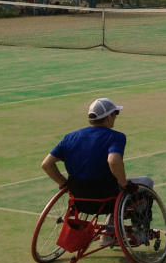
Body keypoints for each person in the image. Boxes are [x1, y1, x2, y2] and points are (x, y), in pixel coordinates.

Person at [41, 98, 153, 246]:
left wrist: (64, 184)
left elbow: (46, 164)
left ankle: (107, 235)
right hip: (106, 197)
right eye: (115, 113)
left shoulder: (70, 138)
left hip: (78, 198)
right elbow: (113, 161)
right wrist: (124, 184)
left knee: (112, 189)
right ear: (108, 116)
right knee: (145, 182)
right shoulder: (116, 137)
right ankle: (139, 231)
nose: (115, 117)